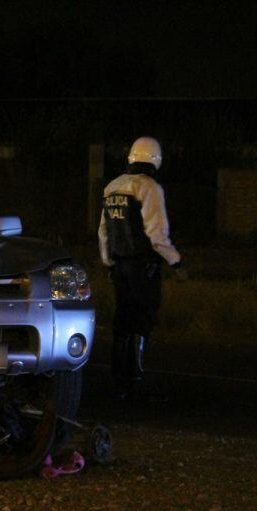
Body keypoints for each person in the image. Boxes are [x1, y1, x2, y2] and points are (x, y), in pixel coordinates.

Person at [98, 136, 186, 400]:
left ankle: (119, 381)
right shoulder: (149, 187)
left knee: (122, 321)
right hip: (143, 267)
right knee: (142, 320)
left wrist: (108, 261)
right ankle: (135, 379)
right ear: (156, 160)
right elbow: (156, 234)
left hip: (119, 267)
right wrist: (176, 261)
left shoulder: (112, 187)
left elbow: (103, 232)